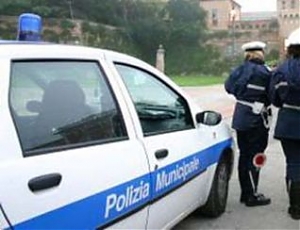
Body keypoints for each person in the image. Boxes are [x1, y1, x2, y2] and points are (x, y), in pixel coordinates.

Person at [225, 41, 272, 207]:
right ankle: (252, 194)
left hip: (240, 117)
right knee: (256, 155)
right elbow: (272, 95)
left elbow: (228, 87)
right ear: (260, 54)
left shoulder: (238, 70)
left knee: (244, 154)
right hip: (256, 119)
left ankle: (245, 192)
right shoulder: (265, 72)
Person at [269, 29, 300, 220]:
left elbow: (275, 99)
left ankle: (295, 207)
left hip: (288, 121)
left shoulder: (281, 71)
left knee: (294, 163)